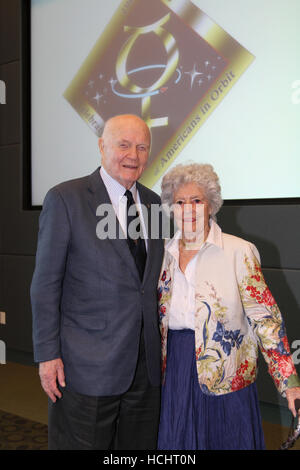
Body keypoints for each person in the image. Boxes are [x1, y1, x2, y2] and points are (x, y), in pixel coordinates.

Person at [31, 114, 164, 450]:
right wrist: (48, 355)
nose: (133, 154)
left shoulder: (153, 204)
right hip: (86, 368)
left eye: (142, 147)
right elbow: (46, 284)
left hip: (145, 370)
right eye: (123, 145)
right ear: (102, 146)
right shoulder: (66, 199)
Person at [157, 162, 300, 450]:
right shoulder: (163, 254)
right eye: (180, 202)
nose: (188, 209)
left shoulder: (238, 251)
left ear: (210, 205)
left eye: (196, 201)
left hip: (227, 375)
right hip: (174, 370)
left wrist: (289, 382)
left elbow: (266, 320)